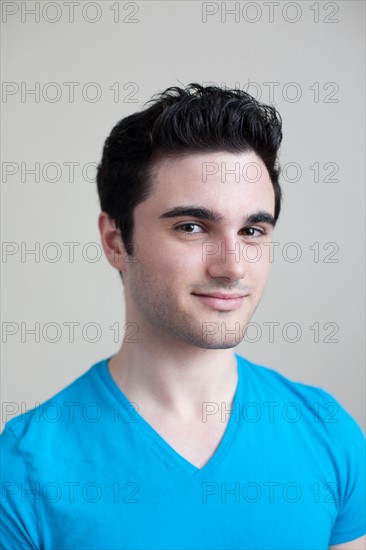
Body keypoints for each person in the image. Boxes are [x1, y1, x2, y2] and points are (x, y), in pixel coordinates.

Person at [1, 83, 365, 550]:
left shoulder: (329, 431)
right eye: (192, 227)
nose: (232, 265)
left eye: (253, 230)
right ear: (116, 242)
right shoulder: (24, 468)